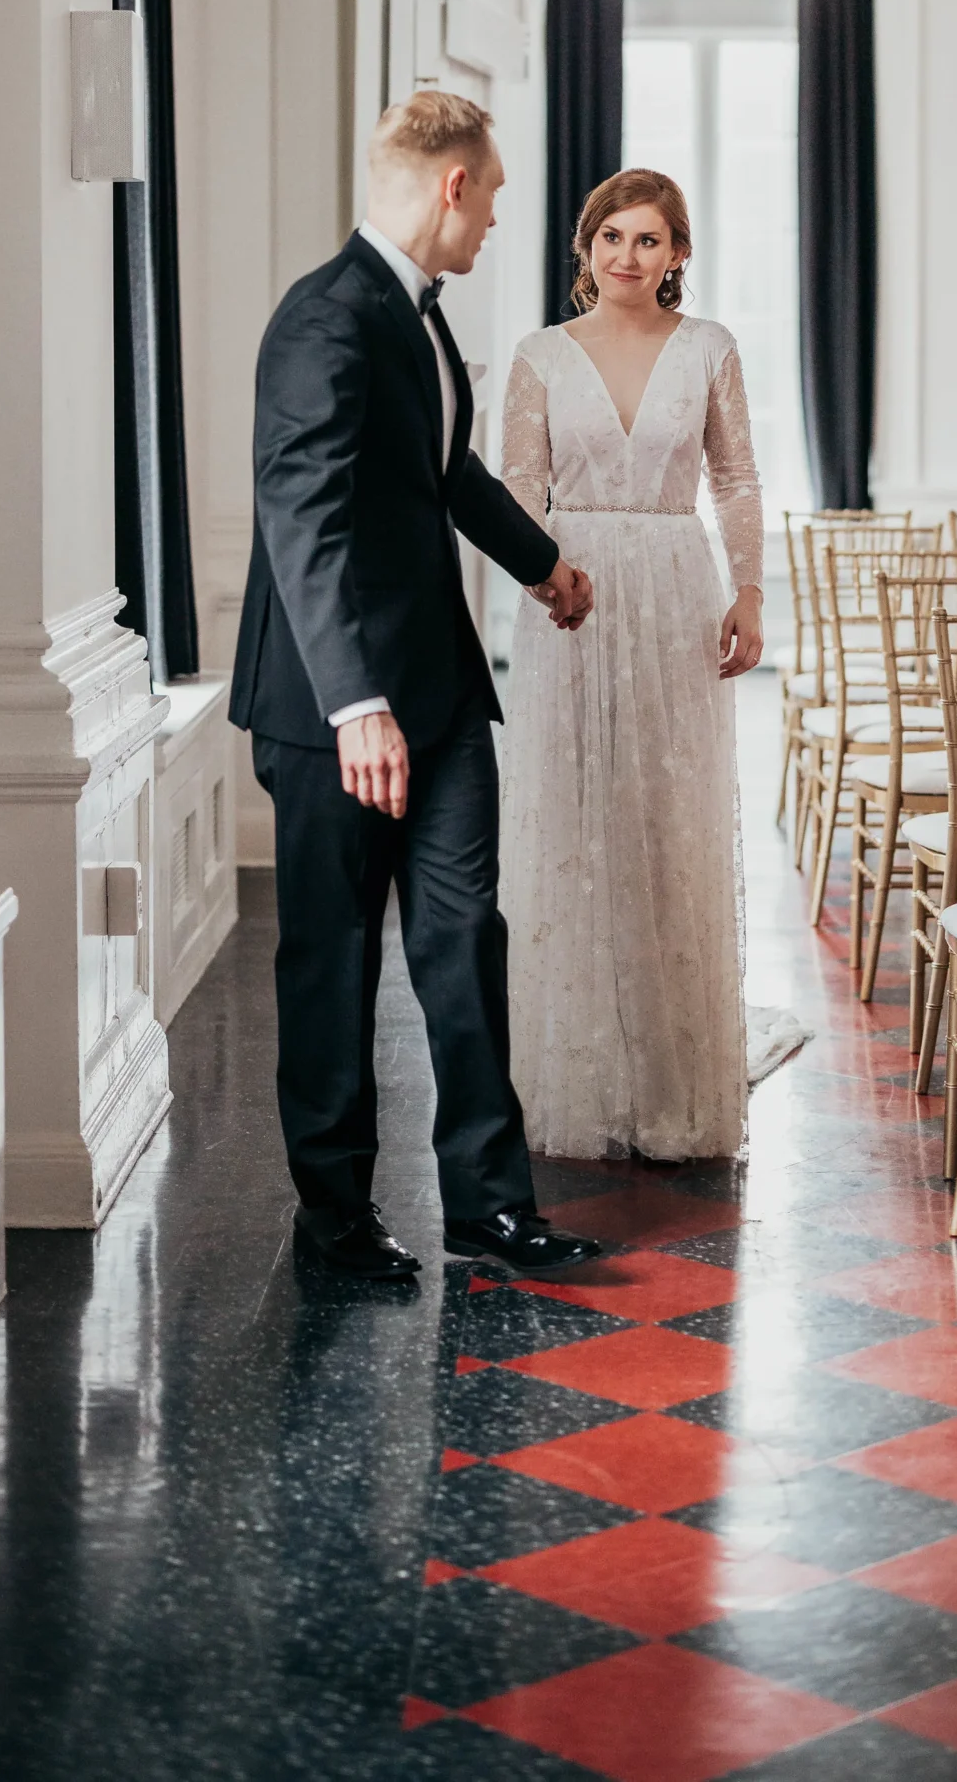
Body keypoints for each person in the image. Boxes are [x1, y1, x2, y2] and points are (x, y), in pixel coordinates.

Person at [229, 90, 602, 1279]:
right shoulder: (323, 318)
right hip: (331, 712)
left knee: (462, 940)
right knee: (334, 960)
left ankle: (491, 1204)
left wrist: (544, 564)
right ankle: (335, 1218)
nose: (494, 218)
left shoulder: (419, 317)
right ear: (452, 184)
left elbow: (444, 473)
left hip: (439, 698)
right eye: (491, 195)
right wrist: (356, 705)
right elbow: (304, 519)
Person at [499, 169, 774, 1162]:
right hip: (567, 592)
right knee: (574, 816)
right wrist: (542, 581)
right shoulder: (539, 355)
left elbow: (735, 480)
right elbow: (516, 490)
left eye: (648, 239)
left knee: (666, 819)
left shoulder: (710, 349)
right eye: (611, 236)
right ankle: (574, 1076)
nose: (627, 255)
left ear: (677, 255)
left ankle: (670, 1082)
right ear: (586, 248)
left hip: (673, 588)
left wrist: (749, 591)